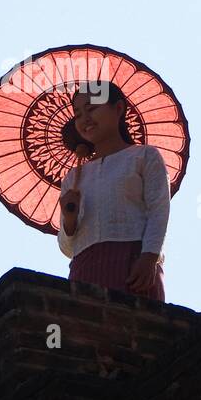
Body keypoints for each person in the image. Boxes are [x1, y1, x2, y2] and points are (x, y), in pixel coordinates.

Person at [57, 82, 168, 300]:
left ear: (118, 109)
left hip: (134, 263)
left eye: (92, 109)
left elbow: (159, 209)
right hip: (84, 270)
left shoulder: (144, 156)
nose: (84, 119)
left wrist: (149, 257)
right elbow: (66, 247)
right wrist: (69, 219)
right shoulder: (73, 178)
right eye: (78, 114)